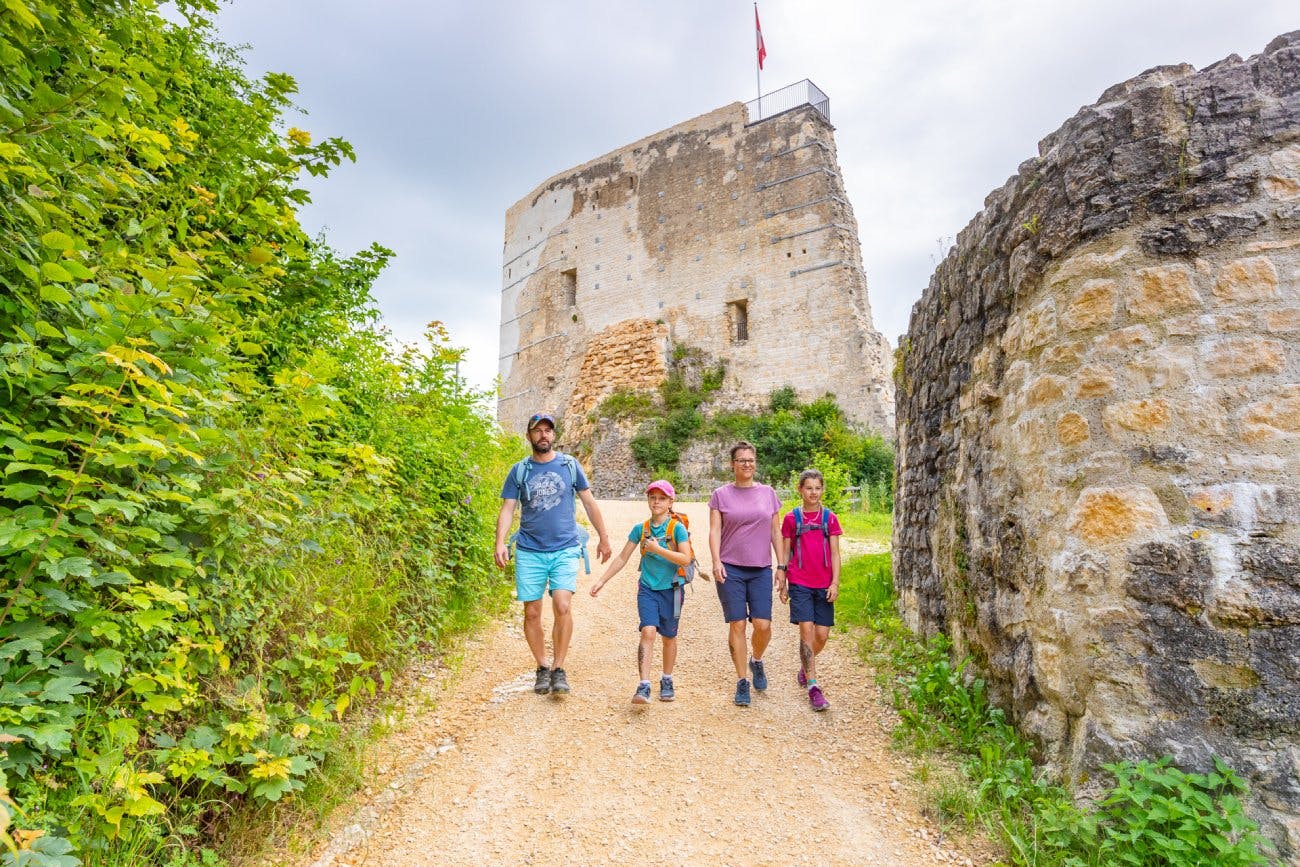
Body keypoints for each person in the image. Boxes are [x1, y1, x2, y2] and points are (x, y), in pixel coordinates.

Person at [495, 412, 611, 696]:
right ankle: (542, 666)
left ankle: (559, 668)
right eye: (538, 431)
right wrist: (500, 542)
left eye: (548, 430)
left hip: (564, 548)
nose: (543, 435)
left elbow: (589, 502)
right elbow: (508, 508)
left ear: (554, 435)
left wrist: (604, 537)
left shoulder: (569, 465)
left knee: (562, 605)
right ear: (529, 436)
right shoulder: (519, 471)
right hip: (529, 551)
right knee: (532, 612)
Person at [589, 480, 694, 705]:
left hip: (673, 590)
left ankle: (667, 678)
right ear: (648, 500)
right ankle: (644, 684)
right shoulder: (641, 529)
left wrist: (658, 549)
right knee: (648, 631)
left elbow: (686, 558)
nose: (656, 502)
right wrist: (602, 580)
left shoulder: (677, 528)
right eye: (653, 497)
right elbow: (622, 557)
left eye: (662, 498)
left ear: (670, 502)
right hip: (647, 589)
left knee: (669, 636)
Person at [708, 441, 781, 707]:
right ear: (733, 464)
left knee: (763, 625)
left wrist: (781, 566)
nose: (747, 464)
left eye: (751, 460)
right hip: (731, 567)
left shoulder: (769, 494)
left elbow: (776, 532)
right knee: (737, 624)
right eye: (742, 460)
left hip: (760, 567)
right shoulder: (720, 495)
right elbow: (715, 530)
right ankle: (742, 681)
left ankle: (756, 660)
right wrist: (716, 560)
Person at [776, 469, 842, 712]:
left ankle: (805, 666)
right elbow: (785, 550)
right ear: (800, 490)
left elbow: (835, 553)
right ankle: (813, 685)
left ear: (822, 490)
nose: (813, 492)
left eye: (817, 488)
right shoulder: (792, 519)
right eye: (809, 488)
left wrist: (835, 583)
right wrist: (782, 577)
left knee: (822, 635)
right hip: (800, 581)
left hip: (824, 583)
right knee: (806, 630)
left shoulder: (830, 518)